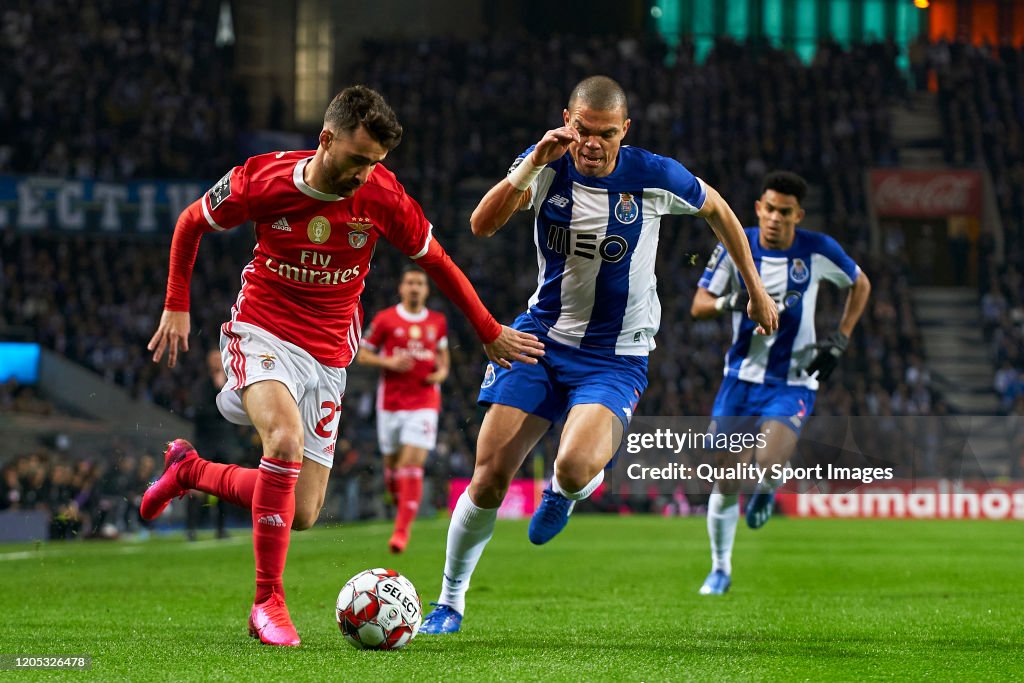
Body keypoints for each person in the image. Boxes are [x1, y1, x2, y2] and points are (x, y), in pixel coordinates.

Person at [140, 85, 543, 647]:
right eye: (356, 159)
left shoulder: (381, 195)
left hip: (328, 356)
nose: (364, 173)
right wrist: (176, 304)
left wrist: (488, 329)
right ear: (325, 139)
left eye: (375, 163)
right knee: (281, 440)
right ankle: (267, 603)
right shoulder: (263, 178)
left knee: (301, 511)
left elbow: (439, 261)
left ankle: (189, 473)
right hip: (263, 330)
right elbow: (191, 223)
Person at [420, 75, 779, 634]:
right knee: (488, 473)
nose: (590, 144)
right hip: (540, 338)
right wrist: (533, 161)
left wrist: (754, 289)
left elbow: (722, 212)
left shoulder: (653, 175)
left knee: (572, 463)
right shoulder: (547, 162)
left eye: (605, 134)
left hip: (615, 357)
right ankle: (449, 602)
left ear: (624, 130)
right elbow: (481, 225)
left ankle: (564, 493)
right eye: (581, 130)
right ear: (567, 119)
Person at [691, 170, 871, 595]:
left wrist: (841, 339)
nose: (775, 218)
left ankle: (769, 487)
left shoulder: (818, 250)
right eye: (769, 208)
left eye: (785, 212)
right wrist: (738, 298)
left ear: (798, 215)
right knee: (726, 479)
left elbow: (859, 283)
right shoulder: (737, 243)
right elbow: (699, 305)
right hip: (739, 380)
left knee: (769, 461)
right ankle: (720, 569)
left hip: (792, 381)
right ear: (758, 208)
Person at [357, 265, 449, 553]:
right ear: (401, 288)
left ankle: (401, 532)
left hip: (424, 402)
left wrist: (441, 373)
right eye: (409, 282)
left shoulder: (437, 322)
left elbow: (444, 357)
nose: (414, 287)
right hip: (391, 404)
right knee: (393, 469)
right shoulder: (385, 319)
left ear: (426, 290)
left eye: (419, 283)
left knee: (411, 463)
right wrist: (389, 363)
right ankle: (397, 494)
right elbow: (362, 354)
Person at [185, 349, 245, 541]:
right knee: (197, 486)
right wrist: (219, 392)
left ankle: (221, 529)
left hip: (225, 442)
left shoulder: (232, 384)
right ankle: (191, 529)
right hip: (205, 442)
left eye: (219, 359)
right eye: (213, 359)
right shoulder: (201, 385)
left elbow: (237, 409)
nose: (217, 363)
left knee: (224, 489)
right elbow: (200, 411)